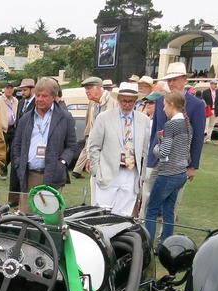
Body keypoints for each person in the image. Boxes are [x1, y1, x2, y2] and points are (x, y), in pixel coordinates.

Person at [142, 63, 206, 218]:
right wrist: (150, 157)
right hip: (156, 160)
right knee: (147, 199)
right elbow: (155, 133)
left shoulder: (196, 105)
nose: (172, 83)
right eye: (169, 80)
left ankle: (167, 237)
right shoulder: (159, 101)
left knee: (172, 203)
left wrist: (192, 166)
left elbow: (198, 137)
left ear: (184, 79)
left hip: (179, 163)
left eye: (175, 79)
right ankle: (143, 233)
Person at [11, 77, 81, 212]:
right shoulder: (26, 118)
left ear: (54, 97)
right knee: (27, 218)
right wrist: (19, 162)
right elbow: (17, 145)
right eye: (37, 95)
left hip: (53, 175)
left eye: (44, 96)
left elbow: (72, 145)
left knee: (50, 218)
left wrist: (61, 162)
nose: (40, 99)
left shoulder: (65, 118)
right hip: (29, 176)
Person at [87, 82, 151, 217]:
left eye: (130, 101)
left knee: (124, 216)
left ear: (136, 101)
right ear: (118, 100)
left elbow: (144, 151)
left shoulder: (143, 120)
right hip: (108, 172)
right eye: (123, 101)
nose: (127, 104)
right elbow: (94, 146)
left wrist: (141, 176)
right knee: (102, 214)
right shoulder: (104, 117)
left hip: (131, 173)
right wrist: (96, 171)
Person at [143, 91, 191, 247]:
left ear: (171, 105)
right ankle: (165, 244)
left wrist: (156, 147)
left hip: (168, 173)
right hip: (181, 172)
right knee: (169, 210)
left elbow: (164, 151)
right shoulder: (186, 122)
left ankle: (148, 245)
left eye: (164, 105)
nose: (163, 109)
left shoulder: (171, 124)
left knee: (151, 209)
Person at [74, 76, 118, 182]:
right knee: (95, 185)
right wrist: (89, 156)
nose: (86, 91)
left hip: (111, 155)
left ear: (99, 88)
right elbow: (93, 132)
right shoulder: (94, 104)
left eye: (89, 88)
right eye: (86, 89)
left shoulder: (113, 101)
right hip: (97, 154)